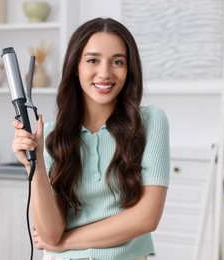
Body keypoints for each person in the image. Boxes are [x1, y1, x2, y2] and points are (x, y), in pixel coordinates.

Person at [12, 17, 170, 260]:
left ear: (129, 70)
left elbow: (146, 218)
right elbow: (50, 234)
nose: (105, 73)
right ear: (76, 67)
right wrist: (35, 167)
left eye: (117, 61)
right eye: (93, 60)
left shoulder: (150, 122)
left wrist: (67, 242)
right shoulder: (54, 134)